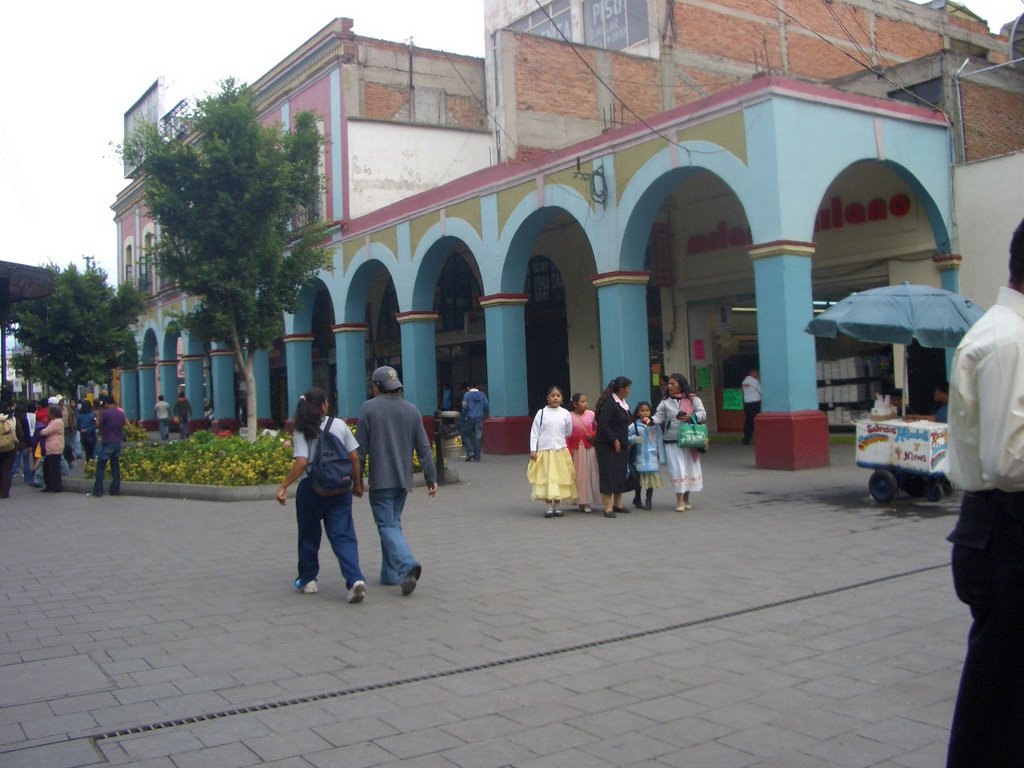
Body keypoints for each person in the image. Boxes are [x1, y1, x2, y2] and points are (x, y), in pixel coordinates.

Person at [944, 217, 1024, 768]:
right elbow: (1011, 460)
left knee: (1002, 692)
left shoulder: (1004, 332)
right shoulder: (1011, 341)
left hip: (994, 528)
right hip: (1007, 531)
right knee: (999, 698)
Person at [276, 387, 366, 603]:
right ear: (324, 405)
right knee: (343, 535)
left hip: (311, 488)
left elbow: (301, 463)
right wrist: (357, 482)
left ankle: (308, 579)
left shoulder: (301, 430)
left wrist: (283, 486)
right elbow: (354, 457)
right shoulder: (339, 425)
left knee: (309, 534)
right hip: (340, 488)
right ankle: (354, 579)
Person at [356, 366, 438, 596]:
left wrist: (357, 479)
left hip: (381, 479)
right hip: (403, 480)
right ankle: (389, 574)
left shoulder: (368, 408)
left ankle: (407, 564)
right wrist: (431, 477)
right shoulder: (411, 410)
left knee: (386, 525)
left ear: (376, 386)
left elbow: (360, 449)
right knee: (392, 523)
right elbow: (424, 448)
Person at [653, 373, 707, 512]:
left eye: (673, 384)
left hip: (690, 439)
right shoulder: (665, 401)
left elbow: (703, 413)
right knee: (677, 470)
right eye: (669, 384)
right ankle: (679, 500)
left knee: (689, 469)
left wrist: (691, 416)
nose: (669, 386)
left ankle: (687, 498)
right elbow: (659, 416)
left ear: (681, 385)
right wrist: (649, 421)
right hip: (672, 440)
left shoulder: (693, 399)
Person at [527, 386, 575, 518]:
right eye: (552, 395)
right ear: (548, 398)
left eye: (558, 396)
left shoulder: (565, 413)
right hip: (545, 451)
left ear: (562, 398)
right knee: (547, 478)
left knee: (559, 478)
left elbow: (568, 432)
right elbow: (534, 432)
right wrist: (533, 449)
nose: (555, 398)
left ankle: (558, 506)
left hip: (560, 450)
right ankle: (548, 506)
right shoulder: (541, 413)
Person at [594, 376, 633, 519]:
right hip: (607, 445)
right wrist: (614, 439)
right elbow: (603, 424)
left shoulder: (622, 402)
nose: (629, 391)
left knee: (620, 473)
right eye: (628, 388)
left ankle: (618, 504)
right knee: (608, 474)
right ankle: (607, 507)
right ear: (621, 389)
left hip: (621, 443)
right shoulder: (609, 403)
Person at [628, 401, 665, 510]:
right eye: (642, 411)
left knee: (650, 481)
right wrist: (633, 439)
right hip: (639, 457)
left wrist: (662, 457)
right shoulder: (634, 425)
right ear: (638, 413)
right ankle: (637, 498)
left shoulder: (655, 426)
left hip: (652, 457)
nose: (645, 413)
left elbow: (659, 441)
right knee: (638, 480)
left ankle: (648, 500)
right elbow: (625, 437)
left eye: (647, 410)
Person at [568, 392, 600, 513]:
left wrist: (592, 435)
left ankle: (587, 501)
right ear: (575, 404)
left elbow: (598, 428)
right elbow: (565, 432)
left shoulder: (592, 414)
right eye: (582, 402)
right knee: (578, 476)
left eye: (586, 401)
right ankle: (580, 501)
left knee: (588, 474)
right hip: (575, 449)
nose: (585, 404)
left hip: (588, 448)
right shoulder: (569, 416)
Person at [91, 395, 126, 497]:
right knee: (115, 466)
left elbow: (98, 425)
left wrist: (97, 416)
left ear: (106, 403)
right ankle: (115, 490)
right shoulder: (120, 413)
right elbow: (123, 425)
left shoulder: (105, 413)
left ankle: (98, 491)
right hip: (117, 442)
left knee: (101, 466)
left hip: (107, 442)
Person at [39, 404, 64, 493]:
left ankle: (56, 486)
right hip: (51, 447)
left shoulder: (57, 422)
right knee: (47, 467)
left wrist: (41, 430)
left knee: (53, 469)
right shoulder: (54, 421)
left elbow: (46, 431)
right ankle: (49, 485)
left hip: (55, 447)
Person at [460, 383, 489, 462]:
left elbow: (464, 407)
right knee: (478, 437)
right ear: (476, 387)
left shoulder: (467, 395)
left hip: (469, 418)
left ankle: (470, 452)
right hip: (479, 418)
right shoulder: (482, 395)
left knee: (465, 434)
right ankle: (477, 456)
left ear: (468, 387)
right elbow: (486, 406)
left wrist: (463, 417)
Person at [741, 367, 761, 445]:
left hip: (747, 404)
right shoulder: (754, 381)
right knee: (756, 422)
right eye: (756, 373)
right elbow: (761, 390)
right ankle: (759, 438)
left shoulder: (744, 381)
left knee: (748, 422)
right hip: (755, 404)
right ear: (752, 373)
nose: (757, 375)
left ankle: (746, 439)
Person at [0, 409, 16, 498]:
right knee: (6, 469)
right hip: (9, 447)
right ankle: (4, 492)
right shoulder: (10, 420)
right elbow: (19, 433)